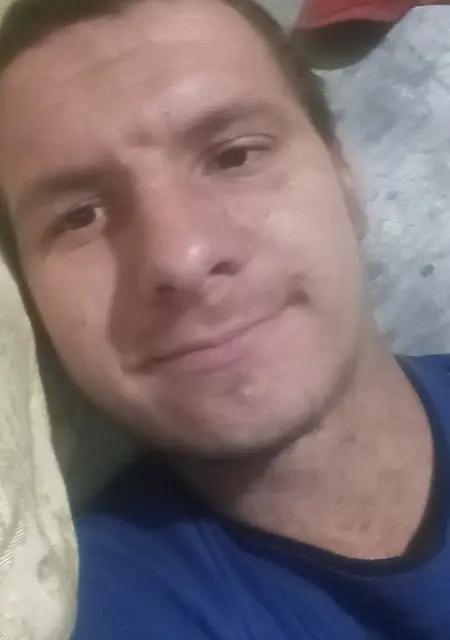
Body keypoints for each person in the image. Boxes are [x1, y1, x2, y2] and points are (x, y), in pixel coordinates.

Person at [0, 0, 449, 637]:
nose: (180, 257)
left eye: (234, 156)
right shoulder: (101, 611)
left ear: (345, 177)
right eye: (79, 216)